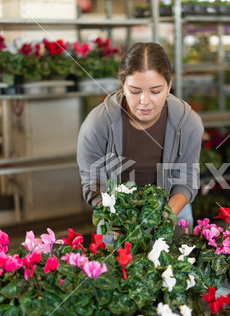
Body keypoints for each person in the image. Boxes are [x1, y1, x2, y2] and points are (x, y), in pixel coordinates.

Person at [77, 42, 204, 240]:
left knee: (173, 268)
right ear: (122, 85)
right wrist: (117, 219)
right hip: (115, 216)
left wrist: (165, 218)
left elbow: (186, 179)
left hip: (172, 210)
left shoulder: (187, 123)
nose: (145, 101)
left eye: (155, 91)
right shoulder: (97, 124)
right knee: (116, 269)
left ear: (169, 85)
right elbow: (94, 182)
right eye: (135, 91)